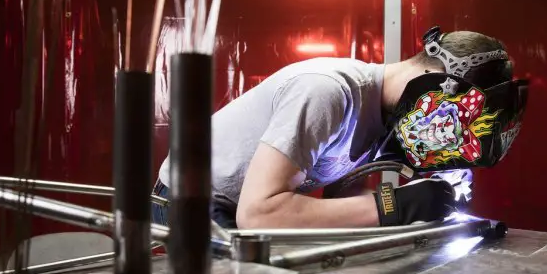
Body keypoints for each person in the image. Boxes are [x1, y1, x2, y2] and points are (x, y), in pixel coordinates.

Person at [153, 26, 517, 229]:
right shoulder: (328, 91)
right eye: (452, 118)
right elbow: (259, 214)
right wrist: (395, 205)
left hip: (243, 206)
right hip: (190, 201)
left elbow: (340, 204)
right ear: (434, 82)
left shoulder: (387, 118)